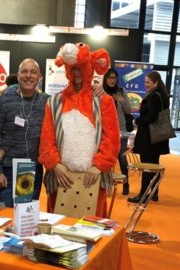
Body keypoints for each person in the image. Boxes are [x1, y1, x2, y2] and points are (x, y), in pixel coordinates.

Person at [39, 42, 120, 217]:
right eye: (73, 69)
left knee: (91, 230)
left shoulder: (103, 101)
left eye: (80, 68)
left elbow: (111, 138)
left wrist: (99, 166)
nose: (77, 73)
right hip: (61, 177)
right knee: (57, 230)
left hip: (92, 178)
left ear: (89, 68)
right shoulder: (55, 102)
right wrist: (55, 165)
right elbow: (47, 138)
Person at [0, 58, 49, 207]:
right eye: (24, 71)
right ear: (18, 76)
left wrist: (96, 89)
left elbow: (70, 100)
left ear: (39, 77)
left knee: (25, 218)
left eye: (33, 72)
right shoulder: (3, 101)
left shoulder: (47, 102)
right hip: (7, 170)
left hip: (32, 169)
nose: (28, 75)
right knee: (8, 217)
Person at [128, 71, 170, 203]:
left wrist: (137, 121)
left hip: (149, 137)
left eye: (148, 82)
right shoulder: (163, 95)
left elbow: (151, 117)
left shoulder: (153, 96)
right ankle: (154, 193)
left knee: (146, 166)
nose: (145, 85)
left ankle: (143, 194)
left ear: (155, 82)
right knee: (154, 165)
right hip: (158, 136)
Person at [103, 68, 132, 195]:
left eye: (114, 78)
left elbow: (129, 110)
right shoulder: (101, 91)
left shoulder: (121, 91)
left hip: (121, 129)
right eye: (110, 77)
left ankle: (126, 184)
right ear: (106, 78)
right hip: (105, 130)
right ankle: (106, 184)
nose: (112, 80)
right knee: (106, 158)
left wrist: (121, 100)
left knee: (122, 157)